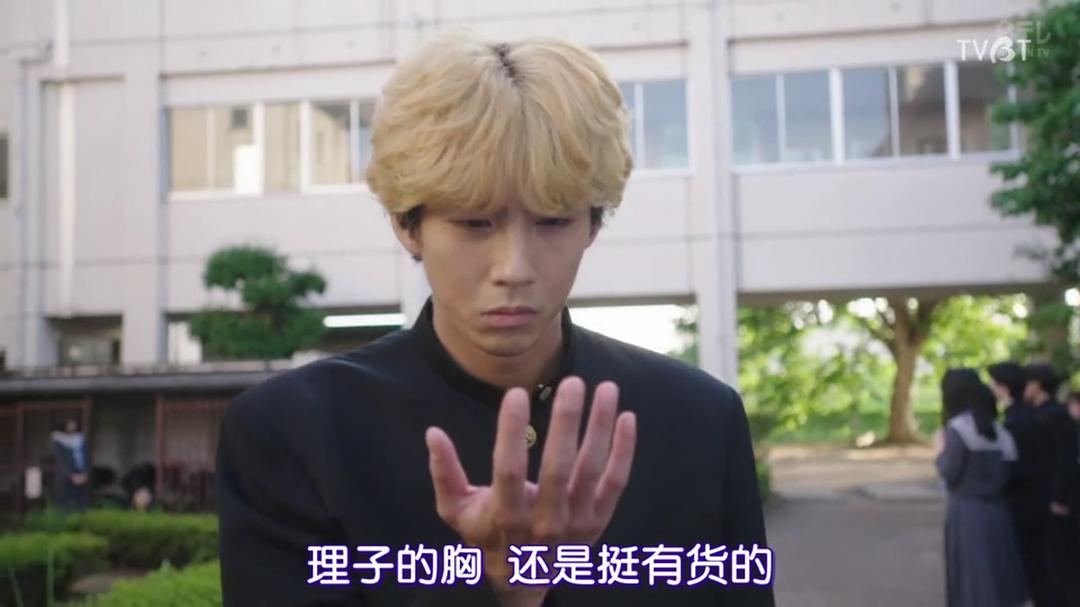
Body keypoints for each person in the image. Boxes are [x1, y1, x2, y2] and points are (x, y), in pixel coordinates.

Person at [215, 32, 773, 607]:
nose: (515, 268)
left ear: (593, 223)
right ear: (407, 224)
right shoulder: (295, 433)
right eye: (474, 222)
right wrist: (504, 589)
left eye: (553, 221)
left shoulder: (700, 421)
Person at [935, 368, 1029, 607]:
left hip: (966, 512)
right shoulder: (999, 430)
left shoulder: (958, 428)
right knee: (995, 576)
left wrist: (939, 451)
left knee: (971, 576)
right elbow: (1009, 474)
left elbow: (949, 472)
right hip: (997, 512)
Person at [989, 361, 1048, 605]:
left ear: (1004, 387)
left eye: (994, 384)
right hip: (1031, 498)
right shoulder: (1025, 415)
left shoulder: (1017, 420)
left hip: (1024, 501)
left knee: (1028, 563)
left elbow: (1019, 466)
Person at [1023, 364, 1080, 606]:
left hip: (1056, 504)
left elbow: (1066, 461)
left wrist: (1059, 498)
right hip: (1042, 500)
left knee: (1058, 564)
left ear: (1037, 385)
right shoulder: (1040, 413)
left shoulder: (1056, 416)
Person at [49, 417, 89, 512]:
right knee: (64, 506)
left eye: (74, 424)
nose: (72, 426)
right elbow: (59, 460)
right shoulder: (57, 440)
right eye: (69, 424)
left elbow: (86, 457)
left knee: (81, 505)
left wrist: (85, 473)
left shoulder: (80, 439)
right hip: (65, 477)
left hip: (81, 475)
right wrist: (70, 476)